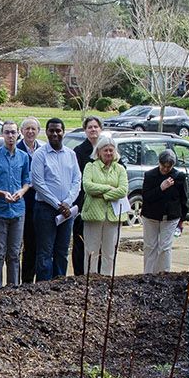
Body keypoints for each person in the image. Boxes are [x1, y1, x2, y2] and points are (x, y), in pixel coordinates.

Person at [29, 118, 80, 281]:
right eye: (51, 130)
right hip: (45, 209)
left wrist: (67, 202)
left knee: (62, 250)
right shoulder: (40, 154)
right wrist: (58, 204)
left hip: (67, 210)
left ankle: (59, 285)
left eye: (58, 130)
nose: (55, 134)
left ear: (63, 132)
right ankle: (44, 288)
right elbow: (38, 183)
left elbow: (77, 180)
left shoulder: (71, 154)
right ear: (47, 132)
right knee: (45, 252)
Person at [0, 120, 30, 288]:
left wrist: (21, 192)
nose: (10, 135)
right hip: (0, 210)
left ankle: (13, 286)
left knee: (14, 253)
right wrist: (2, 193)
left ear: (18, 135)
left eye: (13, 132)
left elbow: (27, 181)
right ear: (2, 134)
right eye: (7, 132)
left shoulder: (23, 157)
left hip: (18, 210)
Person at [80, 138, 130, 276]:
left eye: (111, 150)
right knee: (91, 251)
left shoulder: (120, 169)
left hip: (113, 216)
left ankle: (108, 280)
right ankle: (90, 279)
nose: (108, 153)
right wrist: (109, 188)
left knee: (110, 252)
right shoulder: (90, 167)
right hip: (93, 215)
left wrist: (103, 195)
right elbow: (88, 187)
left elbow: (123, 190)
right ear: (99, 152)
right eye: (105, 150)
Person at [70, 115, 105, 276]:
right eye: (89, 127)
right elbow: (76, 179)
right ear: (85, 130)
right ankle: (80, 275)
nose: (93, 130)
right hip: (83, 203)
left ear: (101, 129)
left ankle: (98, 274)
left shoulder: (107, 148)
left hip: (103, 204)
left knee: (101, 243)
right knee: (81, 242)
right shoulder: (79, 151)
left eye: (95, 127)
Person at [18, 116, 43, 283]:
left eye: (33, 129)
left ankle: (37, 279)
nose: (30, 131)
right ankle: (25, 280)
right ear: (22, 131)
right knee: (24, 246)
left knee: (38, 244)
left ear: (38, 132)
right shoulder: (17, 150)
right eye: (27, 128)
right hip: (22, 203)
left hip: (41, 203)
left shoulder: (43, 150)